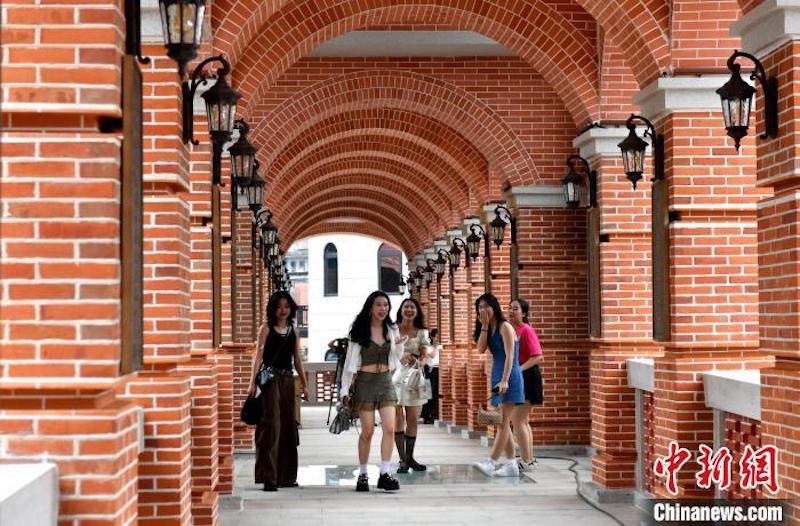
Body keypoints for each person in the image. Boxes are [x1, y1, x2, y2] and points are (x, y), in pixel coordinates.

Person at [340, 291, 408, 492]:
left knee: (389, 428)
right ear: (370, 307)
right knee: (367, 432)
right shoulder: (359, 331)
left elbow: (396, 358)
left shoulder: (391, 328)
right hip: (365, 383)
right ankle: (362, 475)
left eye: (386, 305)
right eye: (379, 305)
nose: (383, 309)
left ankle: (385, 473)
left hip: (386, 381)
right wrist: (344, 390)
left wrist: (399, 345)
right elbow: (349, 365)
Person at [248, 290, 310, 491]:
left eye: (286, 306)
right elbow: (258, 356)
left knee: (288, 428)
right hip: (270, 380)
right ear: (273, 309)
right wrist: (252, 382)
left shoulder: (293, 330)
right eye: (279, 306)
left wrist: (304, 383)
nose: (283, 310)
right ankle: (269, 477)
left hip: (287, 380)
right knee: (271, 426)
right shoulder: (265, 329)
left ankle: (287, 476)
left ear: (291, 308)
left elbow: (297, 359)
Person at [472, 293, 528, 477]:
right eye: (479, 307)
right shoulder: (489, 329)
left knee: (503, 422)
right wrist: (485, 326)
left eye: (486, 306)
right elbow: (480, 349)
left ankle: (492, 461)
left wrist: (504, 379)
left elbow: (511, 356)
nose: (483, 310)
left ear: (494, 307)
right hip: (496, 375)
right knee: (500, 423)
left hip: (509, 376)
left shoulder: (505, 327)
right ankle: (511, 464)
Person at [393, 298, 431, 473]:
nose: (409, 310)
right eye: (406, 307)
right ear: (401, 310)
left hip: (414, 379)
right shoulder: (393, 329)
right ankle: (402, 460)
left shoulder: (422, 332)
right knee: (398, 418)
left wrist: (419, 360)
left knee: (413, 419)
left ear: (417, 311)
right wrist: (401, 356)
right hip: (394, 378)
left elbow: (425, 355)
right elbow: (388, 351)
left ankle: (410, 458)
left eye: (412, 307)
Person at [505, 298, 542, 470]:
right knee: (523, 421)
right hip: (519, 377)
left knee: (517, 419)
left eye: (516, 309)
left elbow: (537, 356)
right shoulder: (512, 330)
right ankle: (529, 459)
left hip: (528, 377)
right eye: (510, 308)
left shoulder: (526, 330)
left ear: (524, 313)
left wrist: (518, 369)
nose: (511, 312)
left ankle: (526, 461)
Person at [420, 327, 440, 424]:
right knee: (428, 394)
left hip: (438, 371)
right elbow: (432, 355)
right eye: (437, 337)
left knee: (435, 394)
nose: (438, 339)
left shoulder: (441, 346)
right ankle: (426, 415)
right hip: (430, 371)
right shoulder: (428, 347)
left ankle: (433, 414)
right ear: (432, 337)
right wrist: (436, 346)